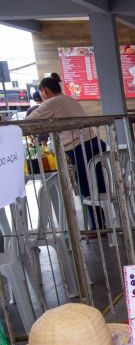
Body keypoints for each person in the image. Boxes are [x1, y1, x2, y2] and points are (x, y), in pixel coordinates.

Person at [26, 73, 107, 231]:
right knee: (96, 186)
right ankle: (100, 224)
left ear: (44, 90)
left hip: (80, 148)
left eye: (41, 92)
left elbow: (28, 122)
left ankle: (97, 227)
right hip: (95, 143)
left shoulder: (51, 102)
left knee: (87, 188)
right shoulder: (70, 99)